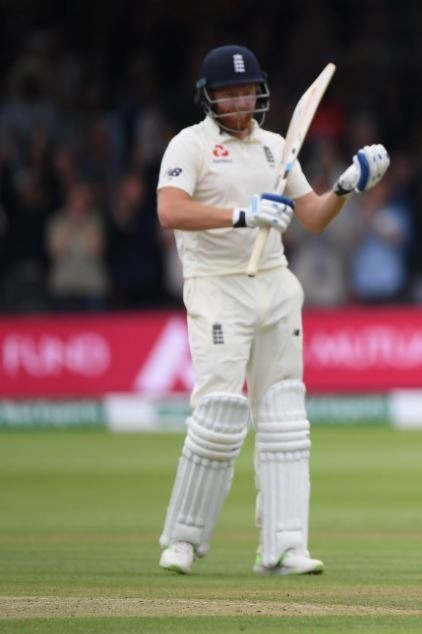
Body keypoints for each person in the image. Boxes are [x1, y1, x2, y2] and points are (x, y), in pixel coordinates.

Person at [155, 44, 389, 576]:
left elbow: (313, 217)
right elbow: (169, 209)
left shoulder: (277, 146)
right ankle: (184, 540)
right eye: (228, 92)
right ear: (209, 96)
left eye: (247, 91)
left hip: (276, 287)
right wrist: (242, 215)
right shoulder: (189, 145)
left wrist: (347, 186)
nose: (239, 101)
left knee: (285, 419)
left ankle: (284, 547)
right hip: (218, 288)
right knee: (219, 415)